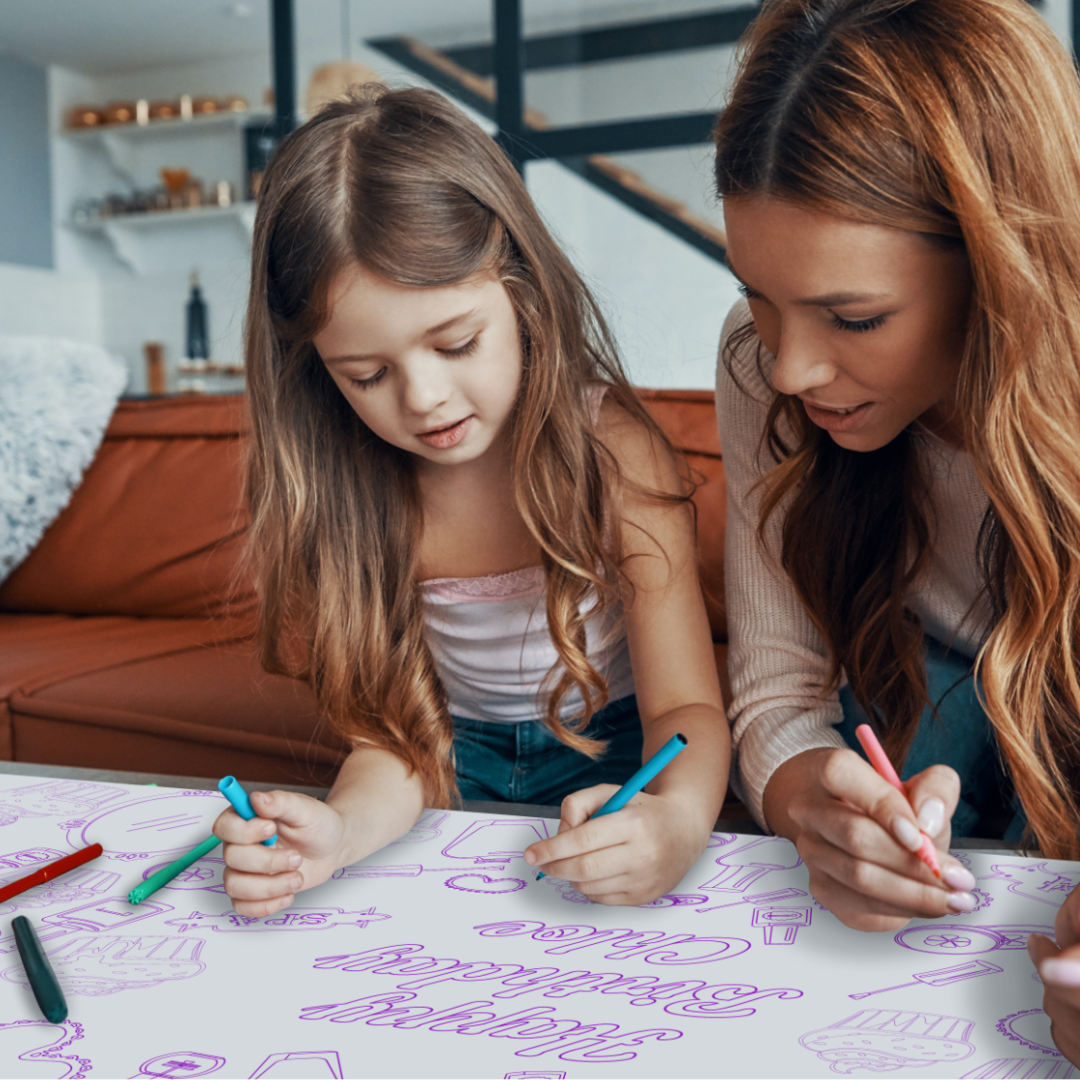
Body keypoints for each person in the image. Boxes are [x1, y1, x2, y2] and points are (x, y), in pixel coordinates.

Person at [213, 86, 729, 912]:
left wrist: (677, 822)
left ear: (521, 292)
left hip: (622, 762)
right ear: (317, 370)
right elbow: (399, 748)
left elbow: (689, 710)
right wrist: (340, 832)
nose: (422, 400)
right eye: (367, 375)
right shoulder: (352, 486)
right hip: (450, 768)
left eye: (456, 343)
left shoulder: (613, 451)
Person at [713, 0, 1080, 1061]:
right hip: (912, 687)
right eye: (758, 298)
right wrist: (800, 802)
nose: (788, 369)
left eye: (854, 318)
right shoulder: (759, 366)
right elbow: (779, 695)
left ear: (999, 267)